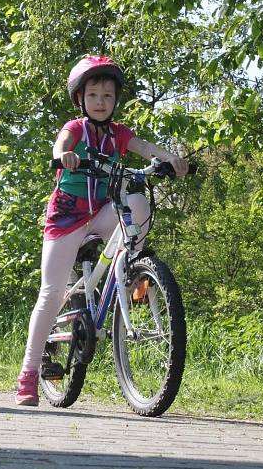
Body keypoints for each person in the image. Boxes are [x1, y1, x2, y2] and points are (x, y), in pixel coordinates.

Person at [15, 55, 189, 406]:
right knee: (50, 293)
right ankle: (29, 373)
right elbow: (61, 142)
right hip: (67, 216)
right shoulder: (76, 128)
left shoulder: (119, 134)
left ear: (115, 101)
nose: (100, 102)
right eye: (93, 95)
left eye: (108, 96)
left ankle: (132, 267)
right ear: (81, 99)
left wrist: (172, 159)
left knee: (138, 201)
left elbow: (145, 149)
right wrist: (64, 155)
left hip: (102, 211)